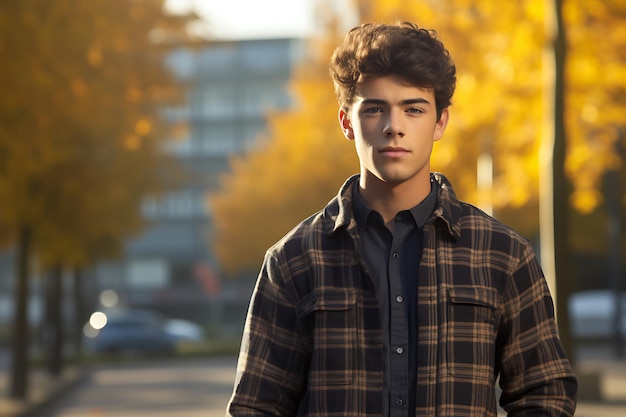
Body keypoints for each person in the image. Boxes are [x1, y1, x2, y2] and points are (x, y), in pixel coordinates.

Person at [227, 22, 577, 417]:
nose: (395, 127)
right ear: (347, 122)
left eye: (413, 109)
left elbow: (544, 393)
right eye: (375, 109)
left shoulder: (503, 255)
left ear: (440, 122)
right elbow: (256, 407)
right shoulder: (293, 260)